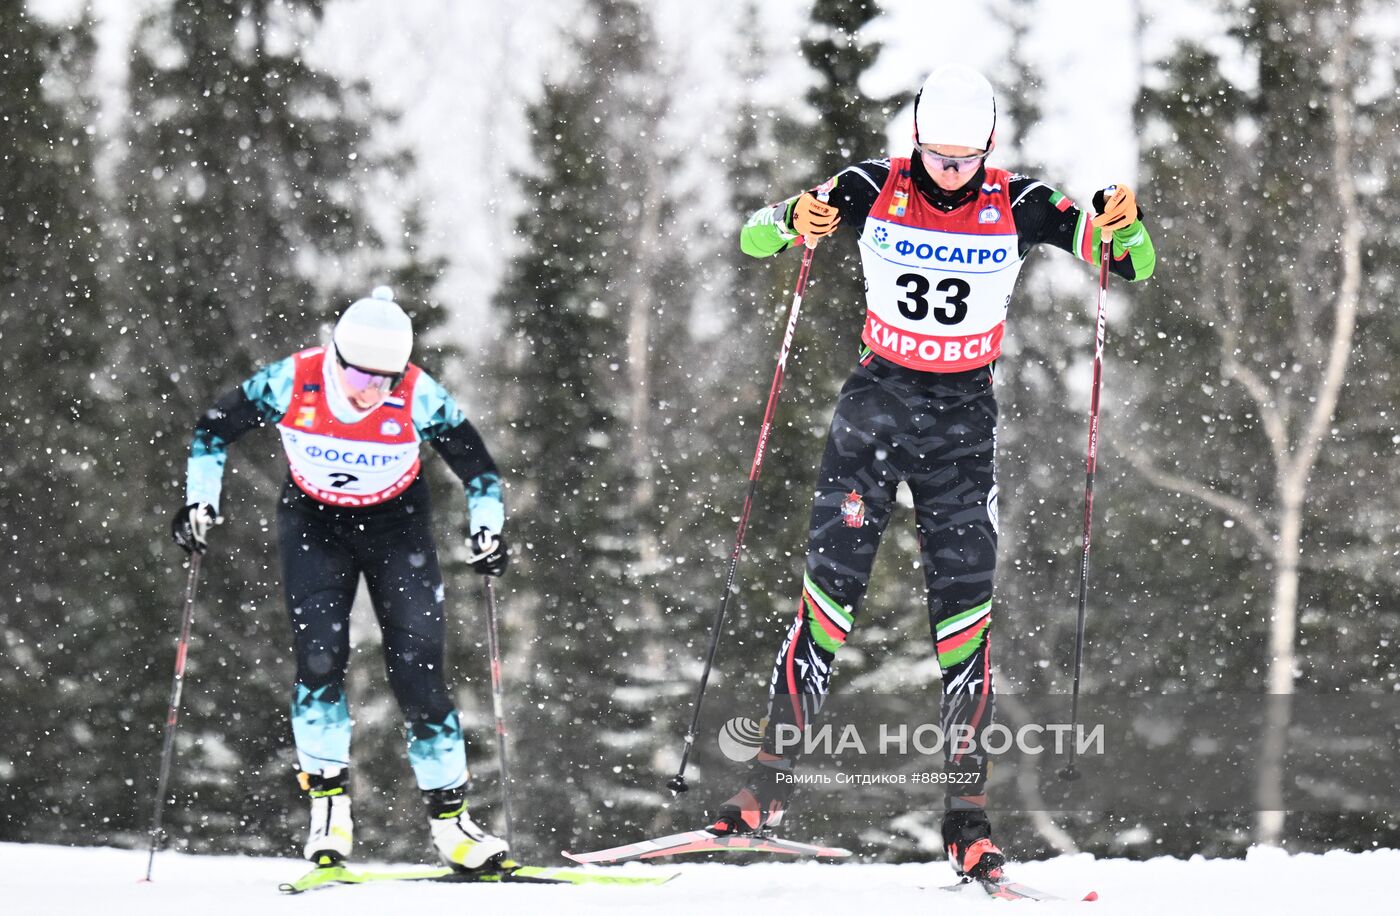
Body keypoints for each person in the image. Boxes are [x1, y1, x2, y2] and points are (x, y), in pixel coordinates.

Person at [718, 64, 1156, 880]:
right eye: (934, 157)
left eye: (963, 160)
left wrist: (1123, 227)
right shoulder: (869, 186)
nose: (947, 174)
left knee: (964, 620)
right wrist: (789, 219)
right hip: (875, 409)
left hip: (961, 427)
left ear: (986, 149)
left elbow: (1128, 265)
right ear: (914, 142)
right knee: (830, 599)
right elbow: (754, 236)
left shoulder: (1021, 203)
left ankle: (967, 820)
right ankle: (764, 790)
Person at [171, 287, 512, 871]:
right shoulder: (293, 381)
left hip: (396, 525)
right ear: (335, 357)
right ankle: (329, 813)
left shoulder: (417, 393)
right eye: (359, 375)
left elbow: (478, 469)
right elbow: (212, 430)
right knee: (320, 659)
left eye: (386, 378)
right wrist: (199, 503)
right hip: (314, 524)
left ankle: (453, 825)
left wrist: (489, 530)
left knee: (420, 669)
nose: (371, 391)